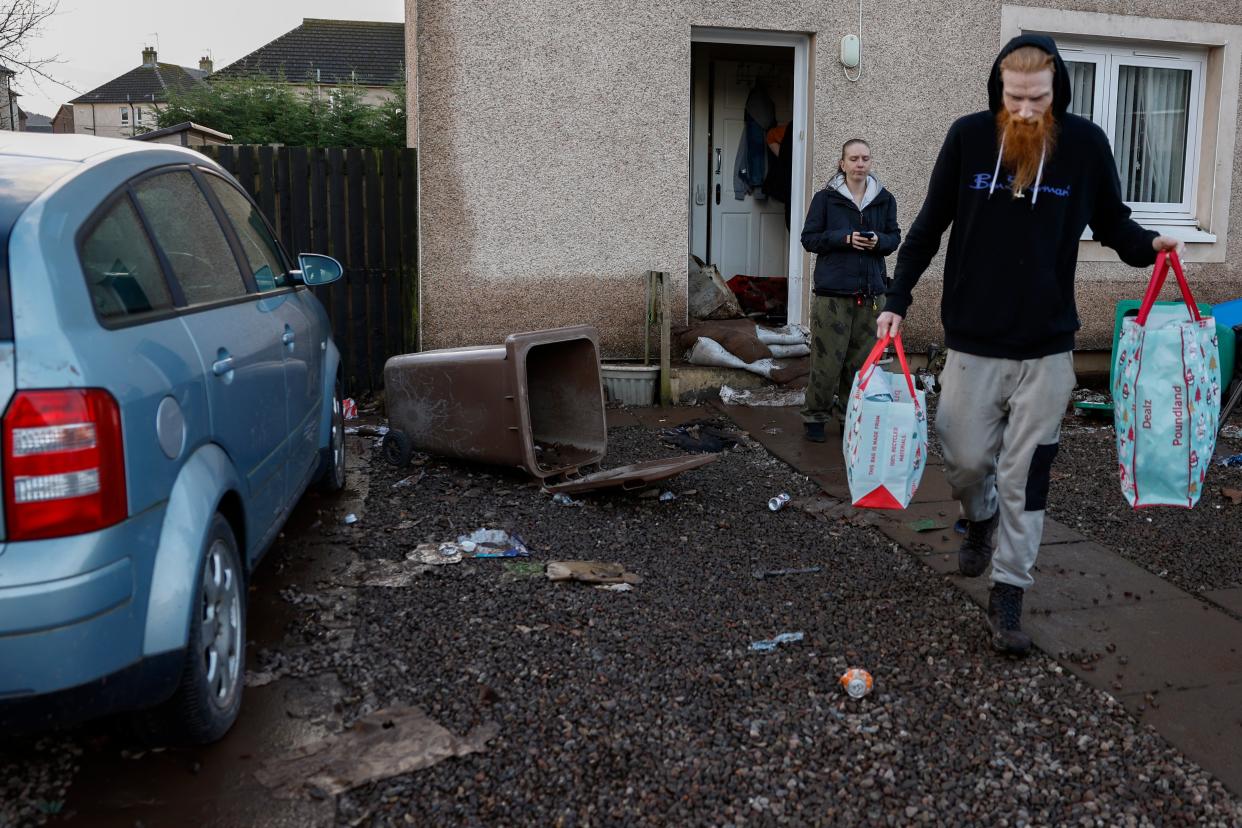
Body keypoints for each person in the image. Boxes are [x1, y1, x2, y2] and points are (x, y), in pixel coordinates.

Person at [875, 34, 1185, 655]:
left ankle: (1009, 592)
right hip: (974, 339)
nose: (1023, 111)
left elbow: (1113, 221)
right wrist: (896, 300)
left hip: (1047, 346)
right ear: (999, 90)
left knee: (1028, 472)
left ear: (1057, 91)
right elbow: (930, 224)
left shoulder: (1086, 145)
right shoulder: (967, 138)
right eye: (1013, 98)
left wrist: (1147, 244)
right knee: (965, 459)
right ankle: (979, 517)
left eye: (1036, 99)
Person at [799, 139, 902, 442]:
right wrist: (844, 238)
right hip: (833, 294)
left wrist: (877, 242)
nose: (860, 164)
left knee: (860, 365)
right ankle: (815, 418)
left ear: (870, 163)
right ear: (842, 163)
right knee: (827, 362)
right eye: (853, 159)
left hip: (872, 295)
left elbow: (893, 238)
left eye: (865, 159)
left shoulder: (884, 199)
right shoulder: (826, 199)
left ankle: (849, 417)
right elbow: (810, 239)